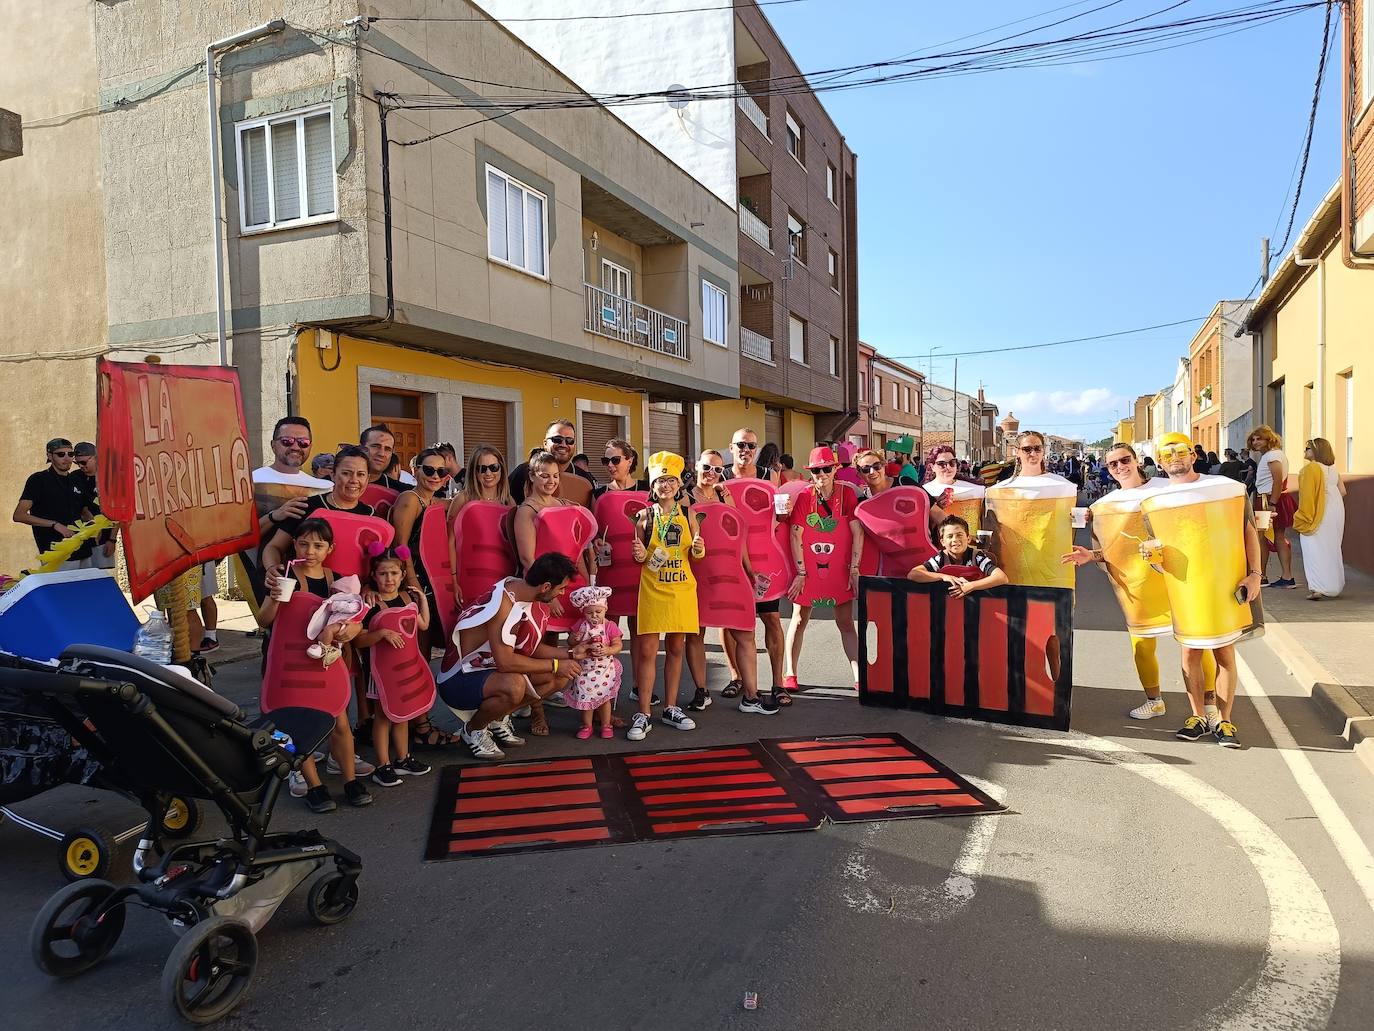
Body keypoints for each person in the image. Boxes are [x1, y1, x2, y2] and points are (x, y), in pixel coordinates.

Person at [1061, 442, 1215, 720]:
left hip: (1178, 577)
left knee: (1195, 641)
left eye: (1124, 460)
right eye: (1113, 464)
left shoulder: (1166, 486)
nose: (1120, 467)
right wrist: (1091, 555)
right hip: (1137, 584)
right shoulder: (1104, 505)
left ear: (1136, 461)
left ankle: (1211, 703)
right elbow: (1113, 548)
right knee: (1142, 644)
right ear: (1107, 469)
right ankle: (1154, 700)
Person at [1144, 431, 1262, 748]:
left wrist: (1255, 575)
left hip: (1223, 585)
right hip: (1186, 591)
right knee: (1190, 653)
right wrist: (1152, 559)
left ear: (1193, 454)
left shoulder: (1227, 488)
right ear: (1159, 460)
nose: (1174, 459)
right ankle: (1197, 716)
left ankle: (1224, 721)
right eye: (1166, 455)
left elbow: (1248, 531)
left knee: (1224, 652)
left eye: (1180, 452)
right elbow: (1158, 553)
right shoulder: (1155, 503)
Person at [259, 518, 371, 812]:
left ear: (329, 548)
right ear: (294, 544)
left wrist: (350, 631)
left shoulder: (340, 580)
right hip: (289, 663)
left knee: (340, 723)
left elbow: (355, 621)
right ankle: (314, 786)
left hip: (326, 663)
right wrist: (274, 597)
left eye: (318, 545)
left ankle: (349, 781)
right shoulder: (282, 575)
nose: (310, 550)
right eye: (304, 543)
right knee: (297, 728)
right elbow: (264, 620)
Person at [437, 552, 589, 760]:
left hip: (485, 669)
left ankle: (497, 719)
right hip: (457, 679)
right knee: (515, 684)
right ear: (545, 587)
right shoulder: (504, 605)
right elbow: (506, 662)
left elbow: (529, 649)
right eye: (561, 588)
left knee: (560, 677)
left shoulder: (520, 590)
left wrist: (569, 653)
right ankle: (473, 730)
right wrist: (555, 664)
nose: (561, 594)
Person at [683, 449, 773, 712]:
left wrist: (749, 569)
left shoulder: (725, 495)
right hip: (698, 575)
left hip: (731, 574)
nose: (712, 474)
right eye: (707, 468)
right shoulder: (685, 499)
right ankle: (701, 691)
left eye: (718, 470)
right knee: (695, 634)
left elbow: (739, 535)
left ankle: (751, 696)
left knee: (745, 633)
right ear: (696, 466)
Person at [514, 450, 594, 735]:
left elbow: (578, 549)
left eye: (555, 476)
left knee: (578, 640)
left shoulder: (564, 504)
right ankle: (537, 712)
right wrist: (552, 595)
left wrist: (587, 584)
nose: (550, 480)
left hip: (571, 585)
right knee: (539, 647)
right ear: (532, 477)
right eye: (544, 475)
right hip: (545, 589)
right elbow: (529, 560)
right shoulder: (527, 511)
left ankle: (584, 699)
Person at [629, 451, 704, 740]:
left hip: (682, 590)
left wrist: (699, 547)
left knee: (676, 649)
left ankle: (671, 707)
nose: (666, 485)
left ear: (678, 484)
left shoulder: (689, 513)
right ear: (653, 484)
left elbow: (696, 554)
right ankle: (644, 712)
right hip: (652, 590)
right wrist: (637, 554)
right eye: (661, 480)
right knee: (647, 651)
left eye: (671, 480)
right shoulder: (643, 516)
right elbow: (640, 556)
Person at [784, 446, 865, 691]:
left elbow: (857, 532)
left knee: (845, 621)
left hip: (840, 566)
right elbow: (795, 534)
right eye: (817, 470)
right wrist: (800, 573)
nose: (821, 474)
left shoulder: (848, 494)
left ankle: (859, 675)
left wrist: (854, 568)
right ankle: (790, 673)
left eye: (826, 469)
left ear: (835, 470)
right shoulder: (805, 497)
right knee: (799, 618)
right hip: (808, 567)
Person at [353, 544, 433, 787]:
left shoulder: (408, 597)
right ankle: (383, 765)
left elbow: (423, 625)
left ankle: (403, 758)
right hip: (380, 673)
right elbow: (358, 640)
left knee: (403, 715)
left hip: (406, 669)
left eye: (394, 573)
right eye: (383, 574)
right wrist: (381, 634)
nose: (389, 579)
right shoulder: (369, 603)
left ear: (402, 574)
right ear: (374, 576)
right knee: (383, 717)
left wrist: (422, 599)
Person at [720, 428, 787, 701]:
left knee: (771, 618)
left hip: (763, 561)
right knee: (728, 622)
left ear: (756, 449)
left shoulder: (768, 476)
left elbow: (779, 518)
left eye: (750, 445)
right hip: (730, 560)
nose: (745, 450)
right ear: (731, 447)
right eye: (740, 445)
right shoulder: (721, 475)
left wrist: (784, 511)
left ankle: (778, 682)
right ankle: (736, 676)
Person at [388, 446, 450, 650]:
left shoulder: (433, 501)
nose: (435, 476)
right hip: (414, 577)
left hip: (430, 578)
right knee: (419, 640)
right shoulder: (410, 499)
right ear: (415, 470)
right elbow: (400, 544)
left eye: (441, 472)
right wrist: (412, 581)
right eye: (429, 470)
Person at [14, 438, 97, 567]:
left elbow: (84, 511)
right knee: (63, 587)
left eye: (70, 454)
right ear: (49, 456)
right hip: (56, 552)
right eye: (60, 454)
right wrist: (55, 524)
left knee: (87, 587)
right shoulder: (38, 480)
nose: (67, 458)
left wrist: (94, 526)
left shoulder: (76, 480)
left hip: (83, 549)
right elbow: (19, 515)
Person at [564, 585, 622, 739]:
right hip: (585, 670)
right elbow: (570, 643)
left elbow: (618, 644)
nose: (594, 616)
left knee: (604, 699)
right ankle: (587, 725)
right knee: (585, 697)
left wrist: (609, 650)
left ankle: (606, 724)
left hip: (604, 670)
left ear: (605, 608)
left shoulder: (610, 626)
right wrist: (574, 638)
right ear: (583, 612)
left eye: (598, 611)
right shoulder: (581, 625)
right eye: (589, 613)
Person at [1293, 437, 1346, 600]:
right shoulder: (1333, 469)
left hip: (1319, 510)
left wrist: (1302, 516)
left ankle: (1318, 588)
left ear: (1316, 451)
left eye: (1308, 448)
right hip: (1336, 509)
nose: (1305, 451)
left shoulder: (1311, 469)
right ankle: (1334, 586)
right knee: (1332, 547)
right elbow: (1343, 491)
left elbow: (1307, 497)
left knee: (1313, 548)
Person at [908, 515, 1008, 596]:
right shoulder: (940, 558)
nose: (955, 540)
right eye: (950, 536)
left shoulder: (977, 557)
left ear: (968, 539)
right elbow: (913, 574)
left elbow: (1001, 577)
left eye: (959, 535)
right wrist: (943, 576)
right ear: (942, 542)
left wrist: (970, 586)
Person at [1248, 425, 1295, 588]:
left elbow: (1277, 480)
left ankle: (1263, 576)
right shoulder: (1271, 455)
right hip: (1268, 499)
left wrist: (1272, 504)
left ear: (1269, 439)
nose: (1255, 442)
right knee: (1275, 537)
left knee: (1262, 538)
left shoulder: (1273, 456)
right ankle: (1284, 576)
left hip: (1268, 501)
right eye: (1253, 440)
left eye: (1259, 438)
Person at [509, 420, 593, 506]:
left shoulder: (584, 479)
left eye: (569, 440)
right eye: (557, 439)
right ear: (545, 443)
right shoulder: (523, 471)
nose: (563, 444)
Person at [72, 442, 117, 571]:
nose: (81, 466)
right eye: (77, 463)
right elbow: (82, 508)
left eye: (84, 462)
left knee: (101, 574)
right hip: (82, 536)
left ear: (96, 458)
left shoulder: (109, 477)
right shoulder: (75, 477)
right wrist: (93, 527)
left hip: (104, 537)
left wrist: (112, 539)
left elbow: (118, 513)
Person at [361, 425, 410, 492]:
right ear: (360, 448)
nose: (381, 454)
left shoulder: (403, 493)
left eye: (387, 449)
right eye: (375, 446)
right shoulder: (343, 486)